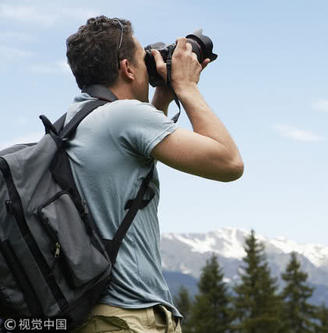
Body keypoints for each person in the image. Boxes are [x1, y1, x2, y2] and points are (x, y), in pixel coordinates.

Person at [65, 16, 244, 332]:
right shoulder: (124, 116)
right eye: (141, 56)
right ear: (128, 69)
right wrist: (186, 87)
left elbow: (136, 164)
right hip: (128, 318)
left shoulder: (76, 119)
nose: (150, 65)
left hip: (100, 315)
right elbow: (228, 163)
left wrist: (161, 95)